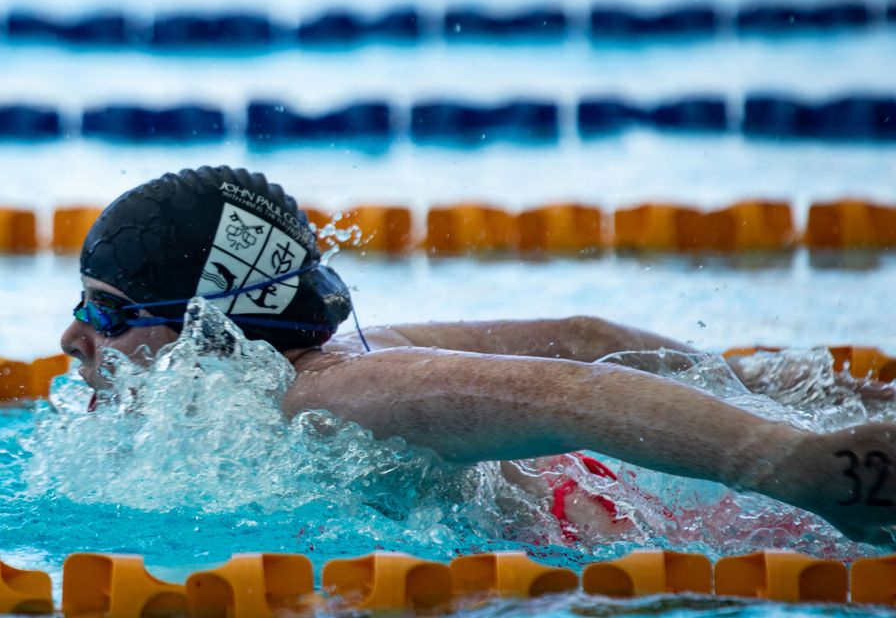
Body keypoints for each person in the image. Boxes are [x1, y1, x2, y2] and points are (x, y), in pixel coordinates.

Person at [59, 165, 896, 545]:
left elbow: (571, 394)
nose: (73, 338)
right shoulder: (330, 362)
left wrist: (792, 465)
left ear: (209, 327)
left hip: (602, 539)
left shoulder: (330, 402)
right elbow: (583, 336)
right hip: (594, 501)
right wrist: (781, 388)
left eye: (107, 311)